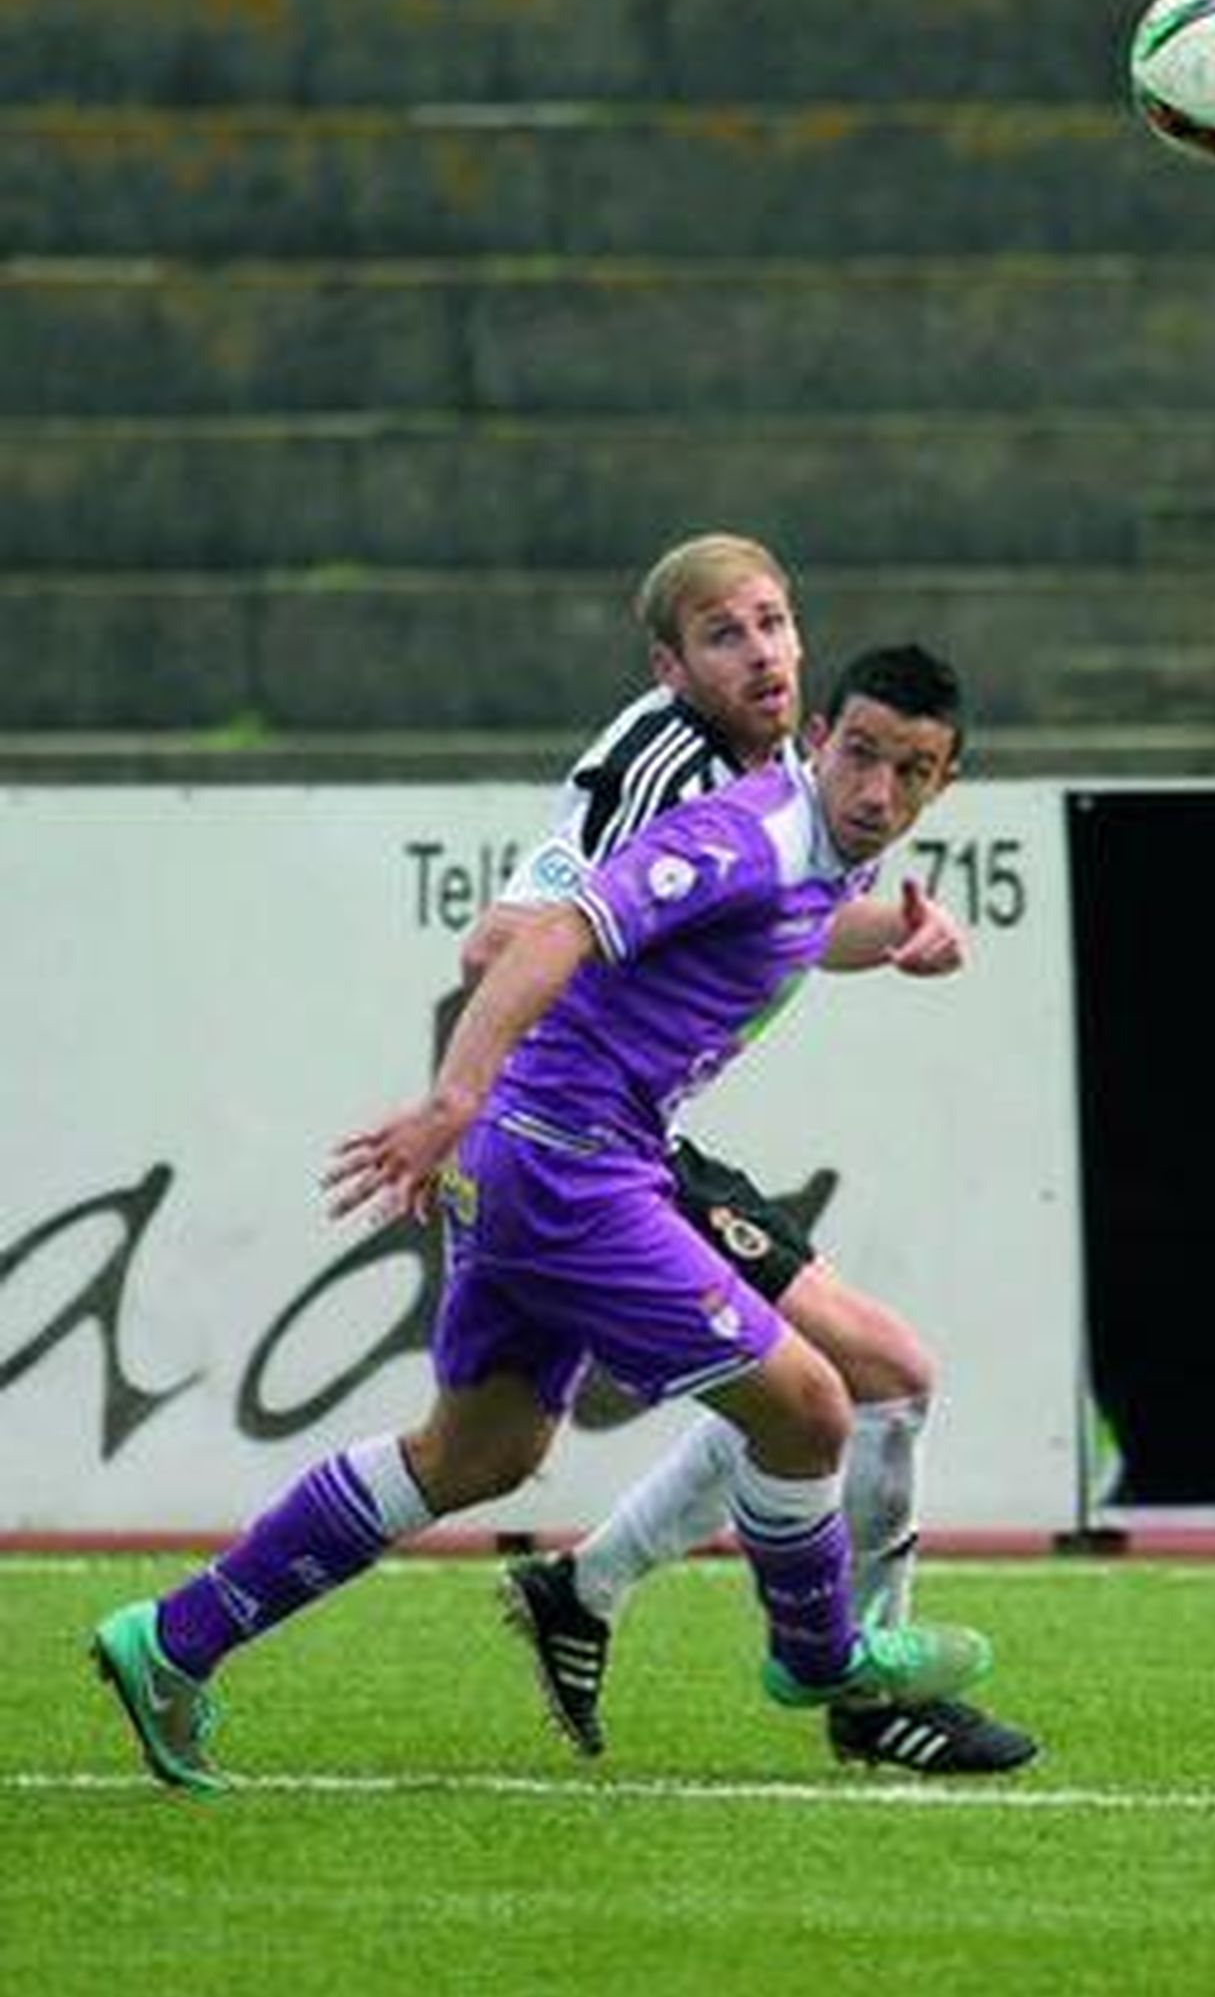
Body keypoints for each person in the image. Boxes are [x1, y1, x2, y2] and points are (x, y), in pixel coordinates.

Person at [90, 644, 994, 1798]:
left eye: (910, 772)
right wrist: (448, 1100)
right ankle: (818, 1663)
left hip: (546, 1162)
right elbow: (557, 932)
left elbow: (805, 925)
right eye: (860, 754)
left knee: (477, 1454)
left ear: (942, 785)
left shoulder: (814, 851)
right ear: (818, 736)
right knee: (813, 1405)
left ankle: (171, 1642)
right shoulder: (743, 833)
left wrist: (904, 938)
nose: (878, 791)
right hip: (570, 1169)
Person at [469, 535, 1037, 1776]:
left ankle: (592, 1592)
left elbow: (782, 919)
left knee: (842, 1383)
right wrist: (474, 1089)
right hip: (585, 1131)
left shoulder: (792, 763)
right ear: (672, 662)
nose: (763, 651)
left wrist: (886, 934)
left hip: (640, 1130)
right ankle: (852, 1685)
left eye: (775, 622)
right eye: (728, 633)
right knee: (857, 1381)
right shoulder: (664, 760)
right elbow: (509, 936)